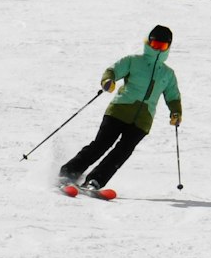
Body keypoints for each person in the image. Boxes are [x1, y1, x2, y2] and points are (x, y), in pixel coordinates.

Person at [58, 25, 182, 191]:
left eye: (163, 46)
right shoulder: (133, 61)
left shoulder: (168, 74)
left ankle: (95, 180)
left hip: (143, 120)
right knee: (101, 144)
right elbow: (113, 71)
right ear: (148, 43)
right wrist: (108, 81)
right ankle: (69, 172)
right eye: (155, 45)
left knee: (122, 152)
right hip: (119, 110)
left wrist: (176, 112)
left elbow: (173, 96)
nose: (158, 49)